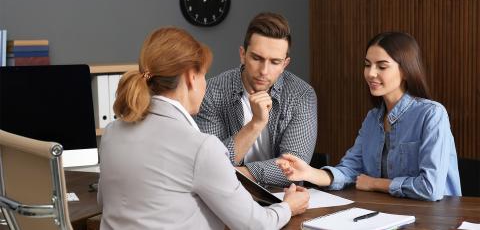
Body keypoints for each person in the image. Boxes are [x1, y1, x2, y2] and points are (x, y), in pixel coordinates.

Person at [97, 27, 309, 230]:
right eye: (204, 75)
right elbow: (256, 225)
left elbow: (105, 201)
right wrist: (288, 207)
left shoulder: (112, 132)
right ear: (191, 77)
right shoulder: (201, 148)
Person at [276, 31, 462, 201]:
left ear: (405, 70)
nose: (371, 73)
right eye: (367, 65)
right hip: (391, 214)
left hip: (437, 218)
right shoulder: (373, 119)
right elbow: (350, 169)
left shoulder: (432, 114)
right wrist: (309, 173)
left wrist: (374, 183)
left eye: (382, 66)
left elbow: (431, 188)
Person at [194, 12, 318, 187]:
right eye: (257, 58)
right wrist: (256, 123)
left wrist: (236, 174)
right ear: (243, 54)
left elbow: (294, 169)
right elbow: (209, 163)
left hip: (282, 196)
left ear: (285, 64)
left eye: (275, 62)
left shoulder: (302, 95)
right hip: (227, 198)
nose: (264, 71)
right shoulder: (213, 91)